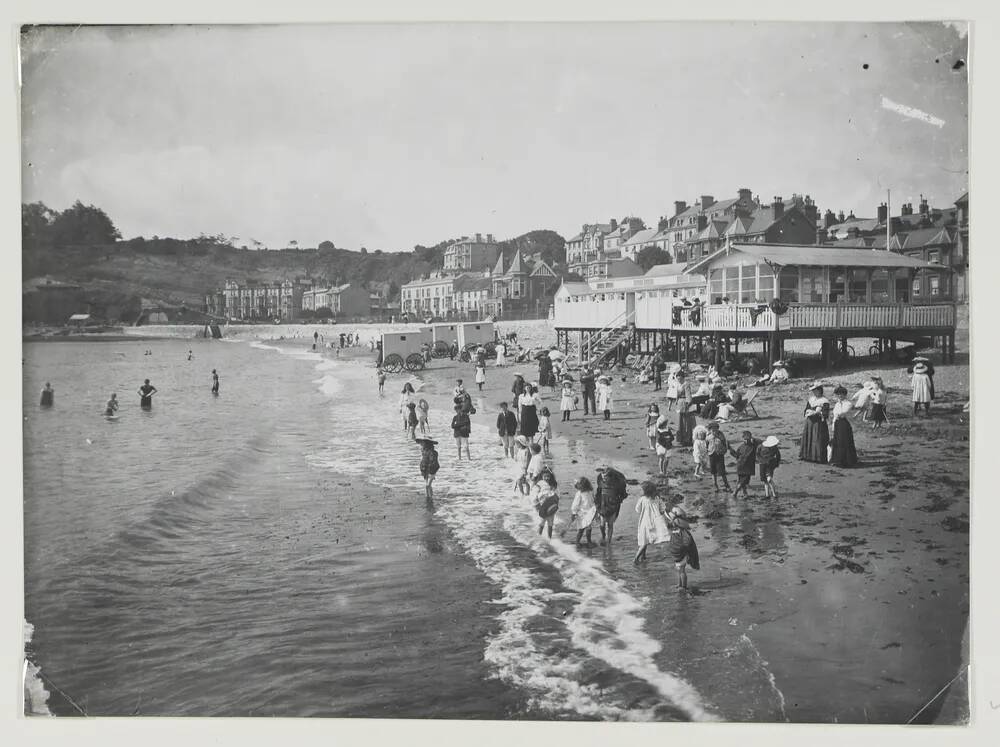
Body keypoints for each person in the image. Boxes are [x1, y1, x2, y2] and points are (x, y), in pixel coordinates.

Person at [634, 481, 671, 564]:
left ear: (645, 491)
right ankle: (642, 557)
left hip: (644, 522)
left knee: (643, 541)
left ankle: (636, 559)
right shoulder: (657, 498)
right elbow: (662, 509)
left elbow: (637, 510)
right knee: (646, 541)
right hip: (655, 523)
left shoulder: (642, 499)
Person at [666, 506, 700, 590]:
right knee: (679, 570)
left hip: (682, 553)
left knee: (682, 571)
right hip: (679, 553)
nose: (670, 522)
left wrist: (684, 550)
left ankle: (684, 587)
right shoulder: (676, 530)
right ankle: (680, 584)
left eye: (671, 521)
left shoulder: (682, 532)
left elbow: (687, 542)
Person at [595, 466, 628, 546]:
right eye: (603, 477)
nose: (604, 479)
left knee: (610, 524)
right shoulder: (601, 481)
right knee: (602, 524)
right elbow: (598, 492)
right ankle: (603, 535)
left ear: (610, 477)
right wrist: (596, 503)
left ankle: (608, 541)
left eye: (606, 477)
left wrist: (619, 500)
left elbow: (623, 493)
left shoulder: (617, 483)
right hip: (603, 505)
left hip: (613, 505)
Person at [800, 383, 831, 463]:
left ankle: (817, 457)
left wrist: (817, 413)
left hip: (818, 423)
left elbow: (825, 414)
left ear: (820, 390)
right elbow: (806, 409)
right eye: (813, 391)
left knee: (817, 438)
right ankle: (806, 455)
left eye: (815, 390)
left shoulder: (824, 401)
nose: (814, 392)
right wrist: (807, 412)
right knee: (809, 437)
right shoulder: (811, 399)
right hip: (810, 422)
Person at [829, 385, 859, 467]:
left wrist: (839, 415)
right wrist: (833, 425)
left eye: (841, 394)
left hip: (844, 424)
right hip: (837, 423)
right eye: (838, 394)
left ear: (845, 394)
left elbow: (843, 413)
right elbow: (835, 415)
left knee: (845, 441)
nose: (840, 396)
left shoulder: (848, 403)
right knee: (837, 441)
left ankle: (848, 461)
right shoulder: (837, 404)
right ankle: (837, 460)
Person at [570, 477, 599, 547]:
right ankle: (577, 542)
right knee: (581, 529)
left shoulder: (590, 492)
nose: (580, 486)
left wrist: (596, 510)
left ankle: (589, 541)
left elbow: (593, 500)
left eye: (581, 485)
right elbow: (575, 504)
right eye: (579, 485)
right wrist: (574, 513)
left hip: (590, 513)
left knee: (589, 528)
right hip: (581, 513)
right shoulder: (579, 493)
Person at [730, 430, 759, 499]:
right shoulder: (743, 447)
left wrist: (752, 439)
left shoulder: (753, 445)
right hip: (743, 466)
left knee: (742, 481)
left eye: (747, 439)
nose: (746, 440)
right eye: (745, 439)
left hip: (745, 466)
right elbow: (736, 455)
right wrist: (731, 451)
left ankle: (745, 493)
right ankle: (735, 493)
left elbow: (759, 441)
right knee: (742, 481)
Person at [532, 472, 560, 539]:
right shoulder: (539, 484)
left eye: (548, 476)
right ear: (542, 477)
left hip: (551, 507)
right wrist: (536, 506)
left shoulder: (552, 485)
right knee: (541, 524)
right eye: (545, 476)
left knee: (550, 525)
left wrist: (555, 503)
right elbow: (535, 496)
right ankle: (539, 539)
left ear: (550, 477)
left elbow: (557, 496)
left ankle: (549, 539)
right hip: (543, 507)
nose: (547, 478)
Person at [706, 422, 732, 491]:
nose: (714, 431)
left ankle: (727, 485)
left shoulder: (721, 436)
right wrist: (707, 451)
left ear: (718, 429)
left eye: (715, 430)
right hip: (712, 455)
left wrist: (725, 450)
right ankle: (715, 485)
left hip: (720, 455)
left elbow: (725, 444)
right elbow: (706, 445)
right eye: (712, 430)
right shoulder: (708, 437)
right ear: (710, 430)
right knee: (713, 471)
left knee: (722, 471)